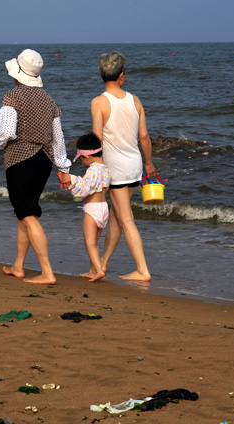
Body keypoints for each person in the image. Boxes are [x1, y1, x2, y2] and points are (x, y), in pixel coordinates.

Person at [0, 49, 71, 285]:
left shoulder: (12, 96)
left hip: (20, 160)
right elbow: (58, 137)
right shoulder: (48, 99)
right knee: (24, 213)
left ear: (17, 74)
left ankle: (47, 272)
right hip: (44, 161)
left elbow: (7, 132)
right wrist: (63, 167)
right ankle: (18, 266)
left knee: (29, 215)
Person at [89, 51, 156, 281]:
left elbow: (96, 139)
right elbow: (144, 137)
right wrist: (149, 164)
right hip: (134, 165)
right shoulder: (135, 100)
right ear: (122, 76)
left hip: (115, 169)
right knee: (117, 217)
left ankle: (142, 270)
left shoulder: (98, 102)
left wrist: (91, 169)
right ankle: (102, 265)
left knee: (126, 218)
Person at [60, 133, 111, 282]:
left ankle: (99, 270)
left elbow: (85, 186)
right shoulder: (106, 169)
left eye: (81, 159)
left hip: (93, 209)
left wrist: (71, 178)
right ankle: (92, 270)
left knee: (89, 242)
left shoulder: (93, 170)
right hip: (104, 208)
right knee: (94, 242)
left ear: (86, 157)